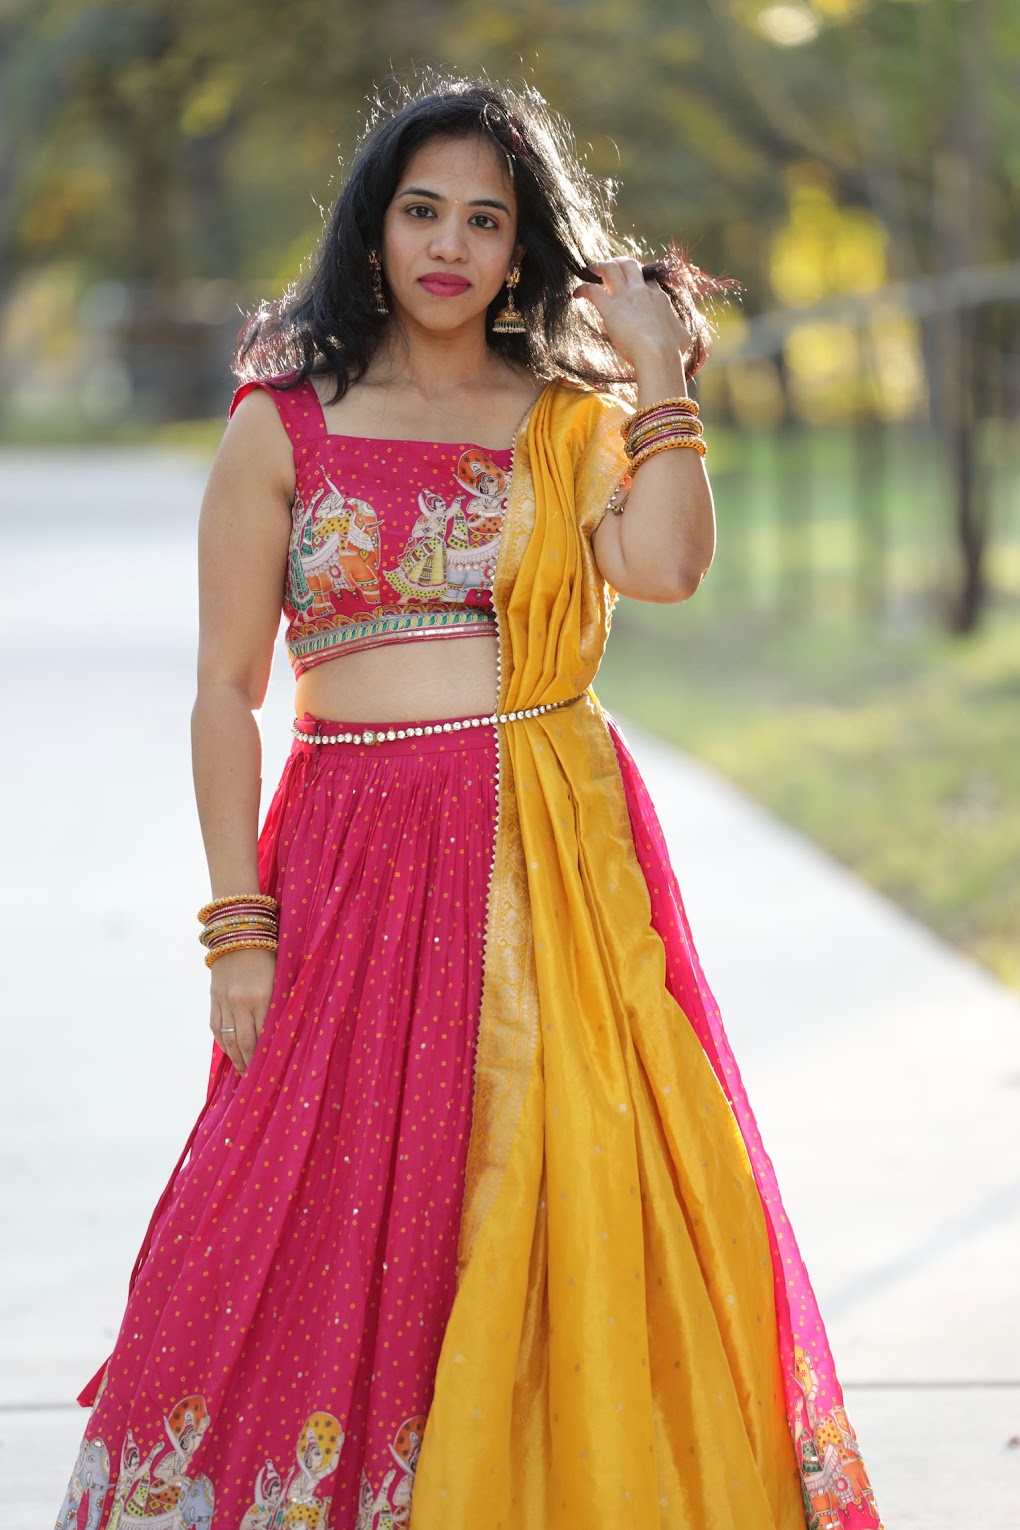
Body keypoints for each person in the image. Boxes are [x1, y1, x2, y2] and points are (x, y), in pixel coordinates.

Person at [56, 75, 883, 1530]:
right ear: (372, 229)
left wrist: (659, 372)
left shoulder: (566, 419)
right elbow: (224, 689)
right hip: (350, 857)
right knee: (300, 1196)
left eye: (486, 221)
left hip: (549, 846)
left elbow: (669, 566)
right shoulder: (285, 423)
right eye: (422, 210)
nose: (449, 245)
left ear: (522, 248)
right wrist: (238, 925)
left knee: (579, 1177)